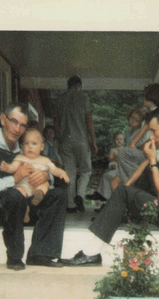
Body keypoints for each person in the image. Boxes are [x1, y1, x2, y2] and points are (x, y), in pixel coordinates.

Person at [61, 105, 159, 266]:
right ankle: (123, 212)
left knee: (130, 187)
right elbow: (147, 162)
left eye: (154, 131)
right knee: (144, 174)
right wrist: (127, 184)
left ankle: (90, 253)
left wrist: (126, 190)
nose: (152, 137)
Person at [0, 102, 68, 270]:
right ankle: (14, 257)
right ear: (3, 119)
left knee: (58, 195)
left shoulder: (21, 147)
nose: (17, 129)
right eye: (14, 122)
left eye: (22, 125)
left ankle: (40, 254)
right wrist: (14, 179)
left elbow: (41, 164)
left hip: (19, 205)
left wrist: (45, 176)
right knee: (15, 196)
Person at [0, 127, 70, 223]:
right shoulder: (20, 157)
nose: (30, 147)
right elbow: (13, 167)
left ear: (42, 147)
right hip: (24, 185)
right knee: (18, 192)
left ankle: (39, 194)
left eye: (34, 144)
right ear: (22, 146)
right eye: (26, 143)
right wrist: (7, 167)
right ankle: (24, 209)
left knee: (44, 184)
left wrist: (62, 173)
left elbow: (54, 170)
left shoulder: (45, 160)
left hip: (38, 186)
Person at [55, 75, 98, 213]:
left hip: (65, 141)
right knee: (86, 171)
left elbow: (56, 122)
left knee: (70, 173)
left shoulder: (60, 100)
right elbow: (88, 120)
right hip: (81, 140)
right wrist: (94, 141)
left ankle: (71, 205)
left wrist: (59, 141)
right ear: (78, 85)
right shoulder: (83, 97)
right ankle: (79, 194)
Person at [86, 132, 125, 204]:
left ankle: (100, 195)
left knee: (108, 177)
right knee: (109, 172)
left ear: (124, 141)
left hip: (121, 168)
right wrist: (115, 157)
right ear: (114, 141)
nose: (119, 141)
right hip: (114, 165)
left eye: (121, 139)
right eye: (117, 139)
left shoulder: (125, 150)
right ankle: (102, 197)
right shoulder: (113, 150)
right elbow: (110, 159)